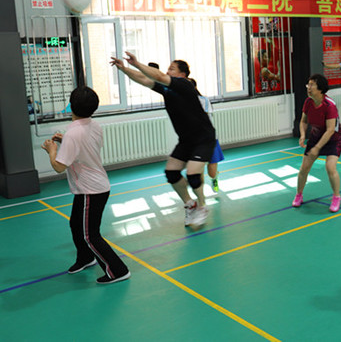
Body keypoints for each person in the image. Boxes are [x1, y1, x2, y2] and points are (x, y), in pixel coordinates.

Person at [110, 53, 216, 227]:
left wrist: (136, 63)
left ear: (182, 74)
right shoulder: (167, 89)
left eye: (171, 69)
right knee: (171, 172)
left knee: (193, 174)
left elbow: (158, 76)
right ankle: (190, 204)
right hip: (186, 140)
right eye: (168, 69)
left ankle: (202, 206)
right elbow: (144, 79)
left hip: (203, 138)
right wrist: (123, 69)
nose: (167, 72)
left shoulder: (185, 85)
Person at [41, 86, 130, 284]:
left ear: (71, 106)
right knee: (75, 224)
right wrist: (65, 140)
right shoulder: (93, 125)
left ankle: (118, 270)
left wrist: (51, 150)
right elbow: (84, 147)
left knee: (90, 235)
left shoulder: (73, 134)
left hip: (91, 190)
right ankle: (86, 258)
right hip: (92, 187)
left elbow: (58, 166)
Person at [292, 74, 341, 213]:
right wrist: (303, 135)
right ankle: (299, 195)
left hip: (333, 139)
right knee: (304, 168)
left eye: (312, 85)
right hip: (315, 137)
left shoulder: (329, 106)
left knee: (330, 167)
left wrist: (317, 148)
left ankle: (336, 197)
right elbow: (303, 121)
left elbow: (330, 130)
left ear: (320, 89)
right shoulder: (308, 102)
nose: (308, 88)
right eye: (308, 85)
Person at [187, 78, 224, 194]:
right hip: (194, 141)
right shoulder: (181, 102)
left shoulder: (204, 100)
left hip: (209, 139)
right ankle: (200, 195)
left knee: (211, 172)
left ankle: (215, 178)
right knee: (198, 170)